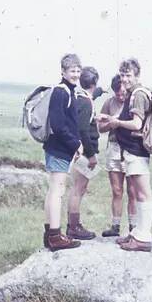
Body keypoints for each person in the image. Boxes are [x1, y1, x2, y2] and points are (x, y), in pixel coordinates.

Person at [96, 58, 152, 253]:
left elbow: (137, 124)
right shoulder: (134, 93)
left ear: (136, 75)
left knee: (142, 193)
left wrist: (116, 122)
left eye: (128, 75)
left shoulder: (137, 95)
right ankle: (137, 233)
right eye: (122, 75)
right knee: (138, 192)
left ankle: (143, 237)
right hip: (132, 150)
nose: (125, 79)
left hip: (137, 150)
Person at [41, 53, 84, 251]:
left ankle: (50, 234)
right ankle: (56, 236)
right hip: (59, 149)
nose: (75, 74)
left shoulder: (68, 90)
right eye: (71, 71)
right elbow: (58, 125)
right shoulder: (62, 92)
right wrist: (75, 143)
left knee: (53, 190)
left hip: (58, 148)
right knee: (57, 191)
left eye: (77, 70)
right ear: (63, 72)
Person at [97, 75, 138, 238]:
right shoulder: (109, 103)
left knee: (133, 191)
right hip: (114, 148)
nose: (121, 96)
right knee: (117, 190)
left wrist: (119, 123)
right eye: (118, 94)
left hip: (131, 147)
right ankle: (115, 226)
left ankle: (133, 227)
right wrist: (111, 124)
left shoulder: (135, 101)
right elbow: (100, 128)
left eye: (123, 93)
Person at [65, 66, 101, 240]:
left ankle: (73, 224)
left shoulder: (79, 97)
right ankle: (73, 227)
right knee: (78, 189)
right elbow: (83, 130)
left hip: (76, 151)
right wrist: (91, 154)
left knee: (78, 188)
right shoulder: (86, 102)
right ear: (94, 82)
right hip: (85, 152)